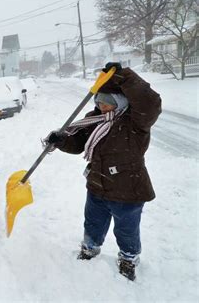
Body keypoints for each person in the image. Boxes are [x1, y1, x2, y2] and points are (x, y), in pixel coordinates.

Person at [44, 62, 161, 281]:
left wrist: (124, 76)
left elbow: (150, 103)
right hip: (97, 185)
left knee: (126, 230)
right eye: (99, 101)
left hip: (128, 190)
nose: (102, 106)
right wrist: (61, 140)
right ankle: (90, 247)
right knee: (93, 222)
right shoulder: (95, 119)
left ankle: (128, 258)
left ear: (120, 102)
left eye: (107, 102)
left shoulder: (135, 123)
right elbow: (78, 143)